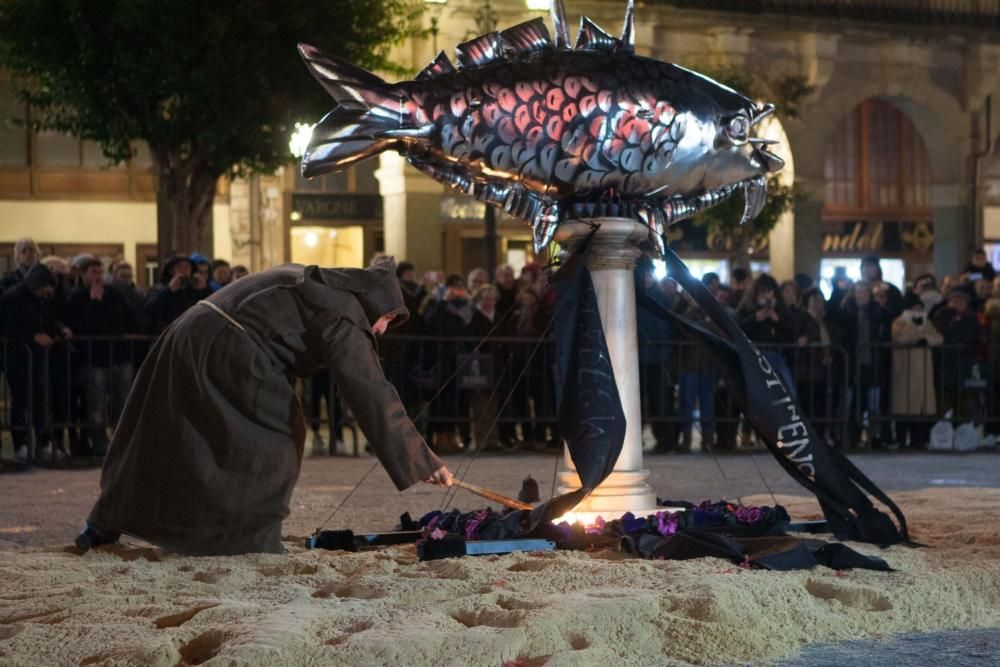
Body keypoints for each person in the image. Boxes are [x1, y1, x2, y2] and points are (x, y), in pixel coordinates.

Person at [76, 257, 453, 555]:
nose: (383, 329)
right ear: (374, 301)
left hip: (189, 331)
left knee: (165, 433)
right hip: (231, 349)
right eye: (387, 318)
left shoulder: (313, 278)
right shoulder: (344, 311)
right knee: (276, 440)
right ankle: (245, 541)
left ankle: (103, 523)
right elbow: (370, 388)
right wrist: (422, 459)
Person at [63, 258, 139, 457]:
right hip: (93, 360)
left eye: (100, 271)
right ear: (84, 274)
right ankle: (99, 442)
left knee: (123, 401)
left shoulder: (114, 294)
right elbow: (80, 326)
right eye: (93, 272)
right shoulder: (77, 297)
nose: (98, 276)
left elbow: (127, 320)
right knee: (96, 405)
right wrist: (95, 302)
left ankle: (123, 440)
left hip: (118, 357)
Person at [0, 265, 73, 463]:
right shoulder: (12, 298)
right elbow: (7, 328)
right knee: (20, 400)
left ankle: (43, 443)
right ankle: (20, 445)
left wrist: (61, 329)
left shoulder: (42, 298)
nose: (48, 292)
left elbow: (50, 319)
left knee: (41, 401)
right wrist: (33, 337)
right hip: (16, 358)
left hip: (38, 359)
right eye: (46, 287)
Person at [891, 294, 942, 449]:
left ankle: (918, 440)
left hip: (923, 372)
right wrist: (914, 327)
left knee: (921, 408)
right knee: (904, 407)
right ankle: (901, 440)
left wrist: (925, 339)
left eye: (920, 308)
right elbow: (901, 338)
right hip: (906, 371)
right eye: (915, 308)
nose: (919, 311)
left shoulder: (927, 322)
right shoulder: (899, 322)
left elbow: (939, 338)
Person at [144, 255, 211, 334]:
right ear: (171, 270)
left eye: (187, 267)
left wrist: (204, 290)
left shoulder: (195, 289)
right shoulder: (158, 289)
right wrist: (169, 291)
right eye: (179, 267)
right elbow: (150, 311)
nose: (184, 270)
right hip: (168, 335)